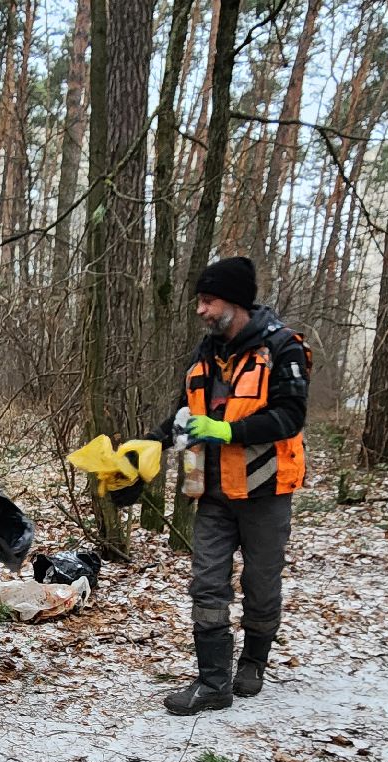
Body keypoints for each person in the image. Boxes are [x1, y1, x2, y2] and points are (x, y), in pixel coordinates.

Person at [149, 256, 310, 715]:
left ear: (234, 302)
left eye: (207, 300)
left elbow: (290, 416)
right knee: (206, 585)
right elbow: (184, 413)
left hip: (266, 491)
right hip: (214, 493)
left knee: (260, 584)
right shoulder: (206, 353)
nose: (200, 310)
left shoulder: (283, 349)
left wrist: (227, 432)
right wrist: (150, 443)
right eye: (199, 300)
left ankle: (254, 662)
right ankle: (213, 682)